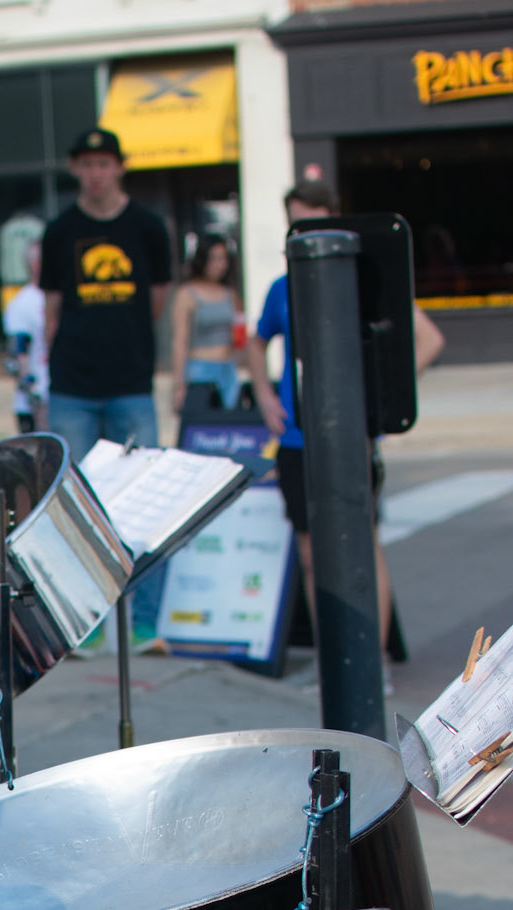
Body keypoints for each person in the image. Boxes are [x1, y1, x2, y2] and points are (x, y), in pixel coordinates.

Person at [246, 178, 445, 651]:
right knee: (311, 551)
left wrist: (383, 391)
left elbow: (429, 338)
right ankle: (331, 658)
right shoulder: (284, 286)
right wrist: (265, 396)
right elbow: (257, 341)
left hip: (352, 434)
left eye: (308, 221)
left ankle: (370, 661)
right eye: (293, 223)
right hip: (298, 436)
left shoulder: (361, 276)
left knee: (363, 544)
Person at [40, 126, 172, 462]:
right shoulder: (59, 231)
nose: (95, 173)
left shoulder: (148, 227)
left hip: (131, 379)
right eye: (86, 164)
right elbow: (51, 306)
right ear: (74, 168)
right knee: (73, 485)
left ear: (119, 167)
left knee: (138, 481)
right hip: (72, 384)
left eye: (102, 163)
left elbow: (158, 299)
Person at [170, 234, 242, 419]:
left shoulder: (230, 293)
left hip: (228, 369)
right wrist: (179, 385)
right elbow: (180, 340)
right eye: (215, 258)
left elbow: (240, 331)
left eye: (224, 258)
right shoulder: (187, 294)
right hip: (200, 369)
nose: (221, 265)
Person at [1, 242, 49, 435]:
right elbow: (18, 354)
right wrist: (34, 398)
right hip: (38, 401)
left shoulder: (57, 298)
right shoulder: (23, 304)